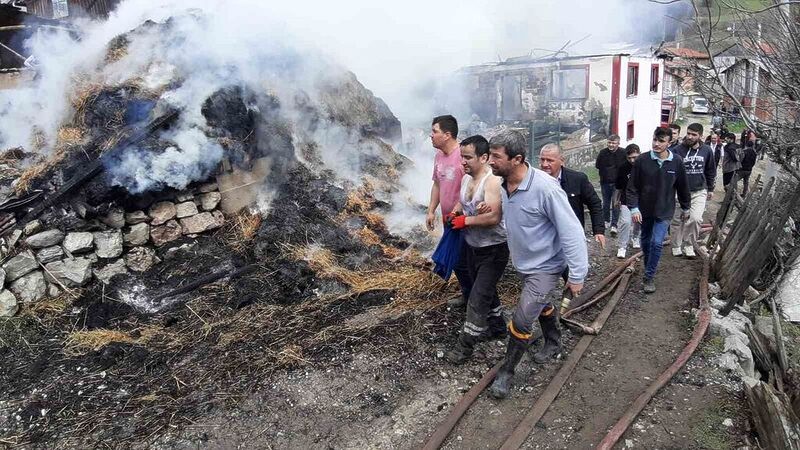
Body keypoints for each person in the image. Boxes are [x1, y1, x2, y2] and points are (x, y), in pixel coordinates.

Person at [485, 129, 588, 399]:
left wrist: (577, 274)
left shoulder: (546, 189)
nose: (490, 162)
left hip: (545, 266)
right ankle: (553, 341)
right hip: (523, 262)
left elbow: (572, 231)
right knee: (540, 303)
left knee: (521, 318)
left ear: (517, 159)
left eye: (496, 156)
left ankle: (506, 372)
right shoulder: (504, 183)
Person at [443, 135, 509, 364]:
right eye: (462, 157)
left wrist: (466, 222)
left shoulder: (491, 181)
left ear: (483, 157)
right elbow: (463, 202)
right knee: (485, 289)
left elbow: (494, 216)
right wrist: (455, 212)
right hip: (473, 247)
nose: (463, 161)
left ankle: (464, 346)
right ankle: (499, 327)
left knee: (477, 297)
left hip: (494, 249)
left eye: (468, 157)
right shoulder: (466, 179)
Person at [627, 127, 691, 294]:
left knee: (656, 243)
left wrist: (686, 207)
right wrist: (634, 208)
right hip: (644, 210)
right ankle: (649, 266)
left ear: (669, 143)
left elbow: (683, 186)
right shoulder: (642, 160)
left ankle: (649, 277)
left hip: (664, 210)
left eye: (661, 141)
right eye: (655, 139)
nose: (656, 143)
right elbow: (632, 187)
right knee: (646, 242)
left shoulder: (676, 162)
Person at [426, 115, 473, 306]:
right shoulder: (438, 156)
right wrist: (431, 210)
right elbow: (437, 184)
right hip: (448, 219)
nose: (431, 135)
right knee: (457, 261)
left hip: (464, 219)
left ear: (447, 135)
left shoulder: (463, 156)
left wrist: (456, 210)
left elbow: (471, 186)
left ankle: (476, 300)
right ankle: (468, 295)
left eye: (434, 131)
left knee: (467, 260)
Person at [539, 143, 606, 249]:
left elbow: (594, 203)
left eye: (550, 160)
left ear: (561, 160)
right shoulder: (535, 182)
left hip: (572, 237)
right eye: (542, 160)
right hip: (544, 238)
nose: (545, 164)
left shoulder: (578, 179)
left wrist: (598, 230)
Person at [671, 123, 716, 258]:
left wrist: (711, 188)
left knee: (696, 219)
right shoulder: (677, 150)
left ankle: (689, 244)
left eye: (694, 135)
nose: (690, 136)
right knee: (679, 220)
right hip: (680, 191)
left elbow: (710, 170)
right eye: (688, 133)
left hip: (699, 190)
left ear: (700, 136)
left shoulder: (707, 150)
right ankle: (676, 245)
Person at [613, 144, 641, 258]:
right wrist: (616, 199)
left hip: (642, 199)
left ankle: (636, 237)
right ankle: (622, 246)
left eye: (634, 157)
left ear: (639, 153)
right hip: (626, 199)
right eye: (629, 158)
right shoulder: (623, 167)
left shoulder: (645, 165)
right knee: (625, 222)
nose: (632, 160)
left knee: (639, 221)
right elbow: (618, 186)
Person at [595, 134, 625, 236]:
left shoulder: (623, 153)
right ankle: (606, 220)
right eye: (609, 142)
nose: (611, 145)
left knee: (615, 204)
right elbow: (598, 165)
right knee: (606, 203)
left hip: (618, 184)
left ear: (618, 143)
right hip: (605, 182)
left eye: (613, 143)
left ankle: (614, 225)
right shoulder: (602, 153)